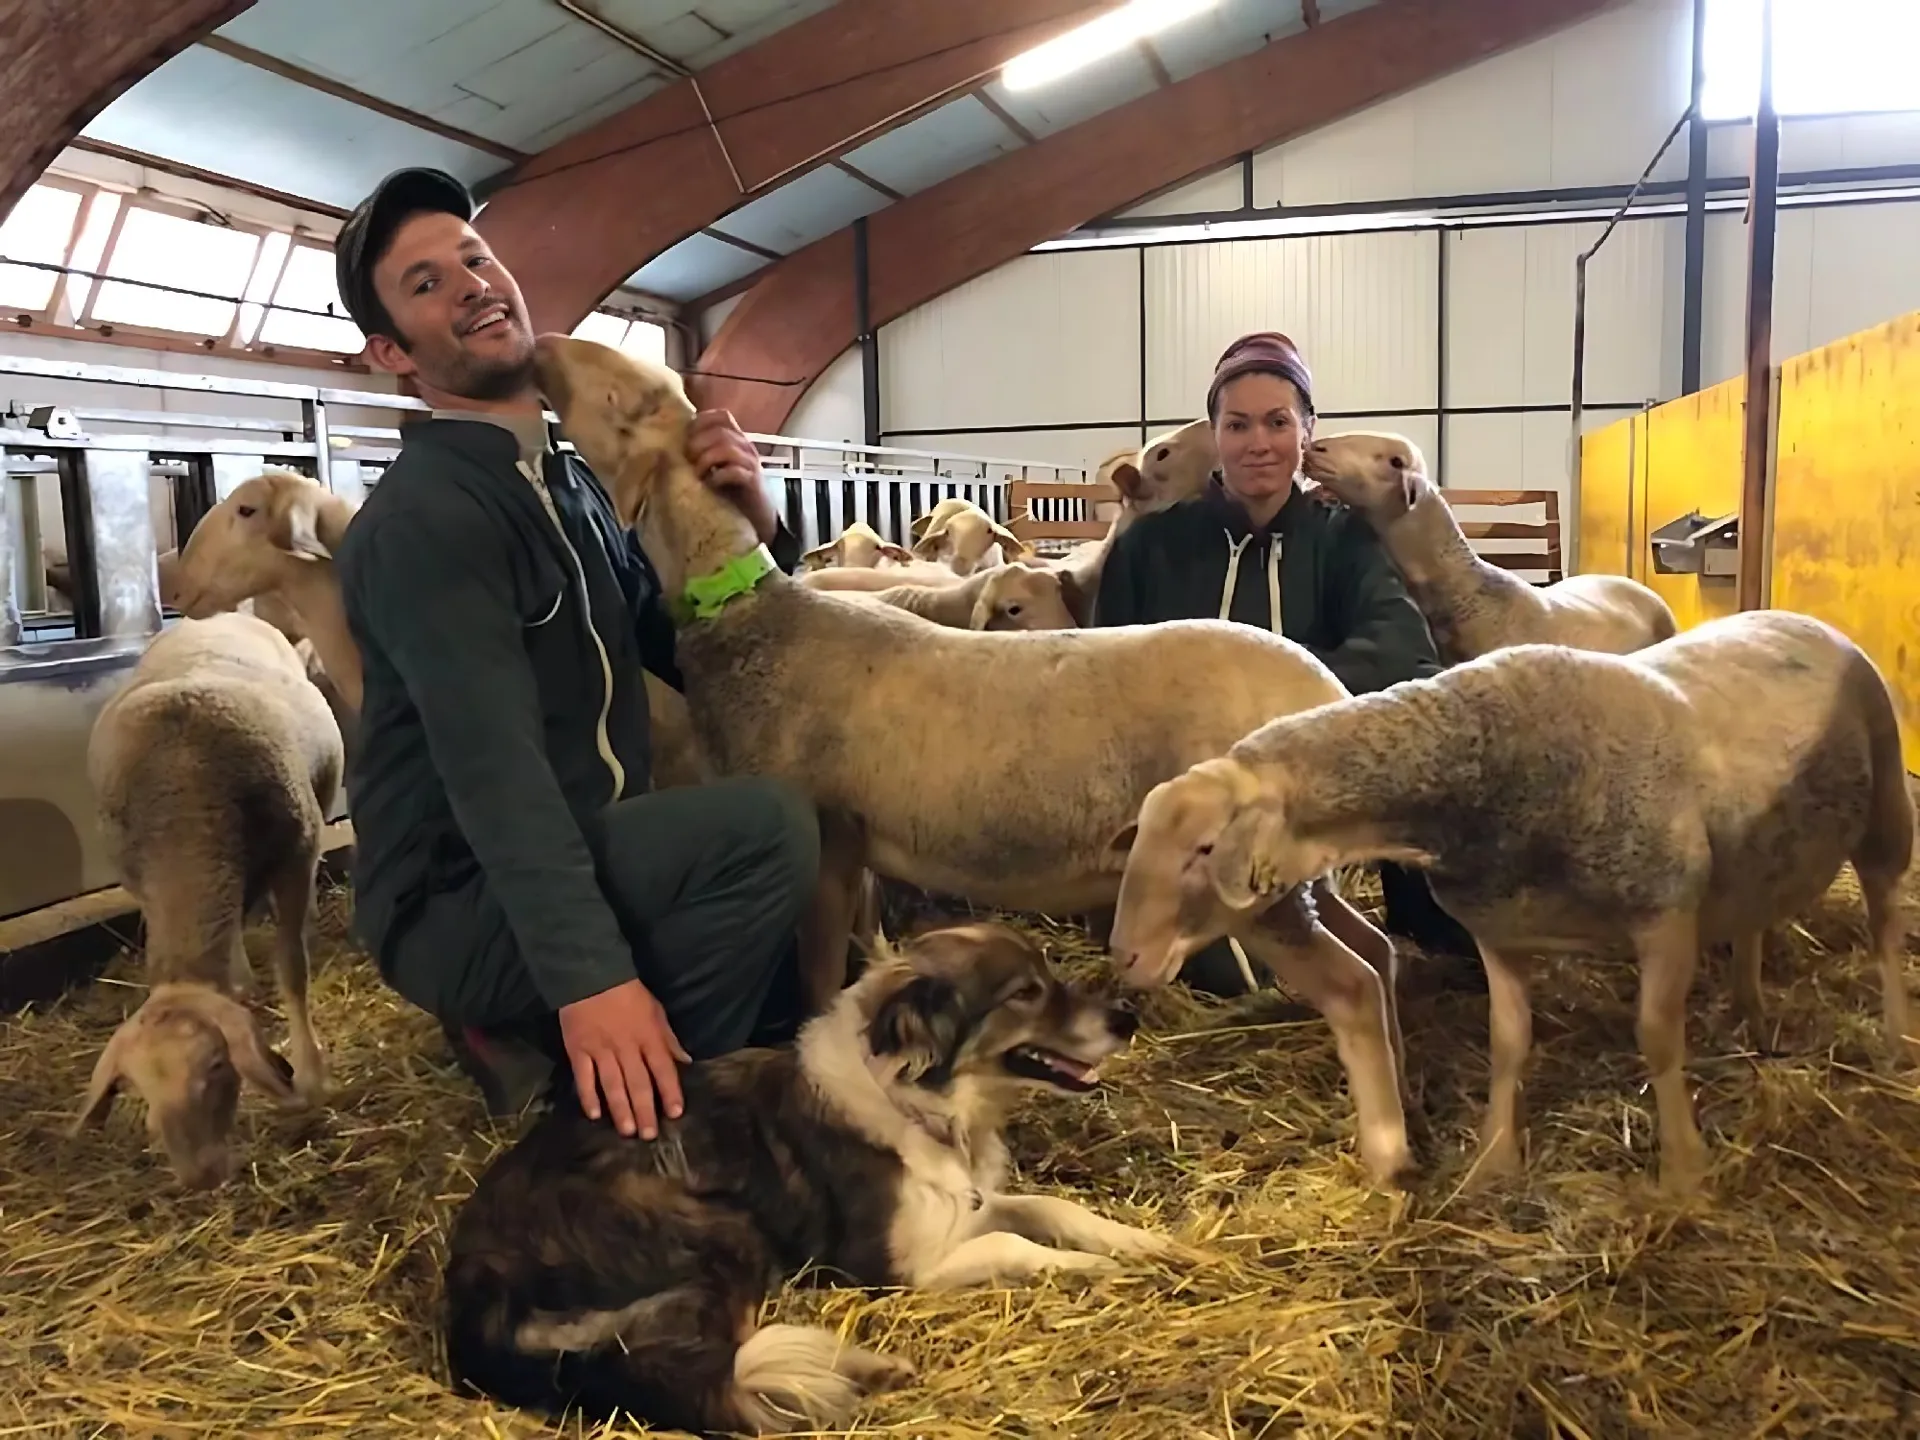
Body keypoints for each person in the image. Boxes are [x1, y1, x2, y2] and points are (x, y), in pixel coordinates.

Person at [329, 167, 820, 1137]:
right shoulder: (429, 520)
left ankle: (578, 1042)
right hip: (460, 897)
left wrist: (752, 529)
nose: (471, 282)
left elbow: (683, 652)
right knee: (765, 829)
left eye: (475, 258)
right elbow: (495, 778)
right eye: (426, 283)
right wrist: (595, 983)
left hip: (587, 849)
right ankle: (647, 1127)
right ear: (392, 352)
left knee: (800, 1018)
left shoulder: (569, 486)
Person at [1095, 330, 1477, 994]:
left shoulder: (1344, 541)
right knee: (1214, 976)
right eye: (1237, 424)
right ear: (1214, 435)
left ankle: (1435, 945)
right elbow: (1105, 676)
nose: (1258, 443)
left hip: (1302, 787)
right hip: (1178, 796)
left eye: (1278, 422)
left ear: (1307, 432)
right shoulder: (1153, 548)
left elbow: (1401, 655)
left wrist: (1266, 710)